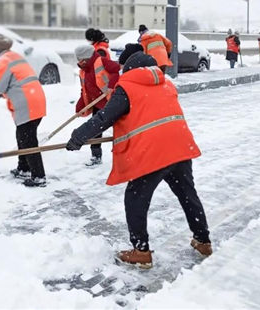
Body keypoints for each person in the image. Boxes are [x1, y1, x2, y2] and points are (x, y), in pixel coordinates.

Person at [66, 51, 212, 269]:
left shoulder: (127, 88)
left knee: (135, 198)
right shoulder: (167, 85)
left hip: (153, 153)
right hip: (180, 148)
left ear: (130, 69)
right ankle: (203, 241)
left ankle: (141, 251)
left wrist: (78, 137)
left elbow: (105, 117)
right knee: (188, 195)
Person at [0, 34, 47, 187]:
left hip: (27, 103)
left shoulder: (3, 60)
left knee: (28, 140)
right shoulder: (15, 56)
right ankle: (24, 168)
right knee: (23, 136)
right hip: (36, 100)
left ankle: (39, 176)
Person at [74, 44, 120, 167]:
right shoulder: (83, 71)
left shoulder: (102, 61)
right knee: (95, 130)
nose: (79, 63)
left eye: (81, 60)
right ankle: (96, 156)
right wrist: (80, 106)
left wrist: (111, 86)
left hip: (111, 103)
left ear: (87, 57)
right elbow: (84, 90)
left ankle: (123, 155)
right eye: (78, 60)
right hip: (98, 104)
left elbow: (116, 70)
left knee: (120, 128)